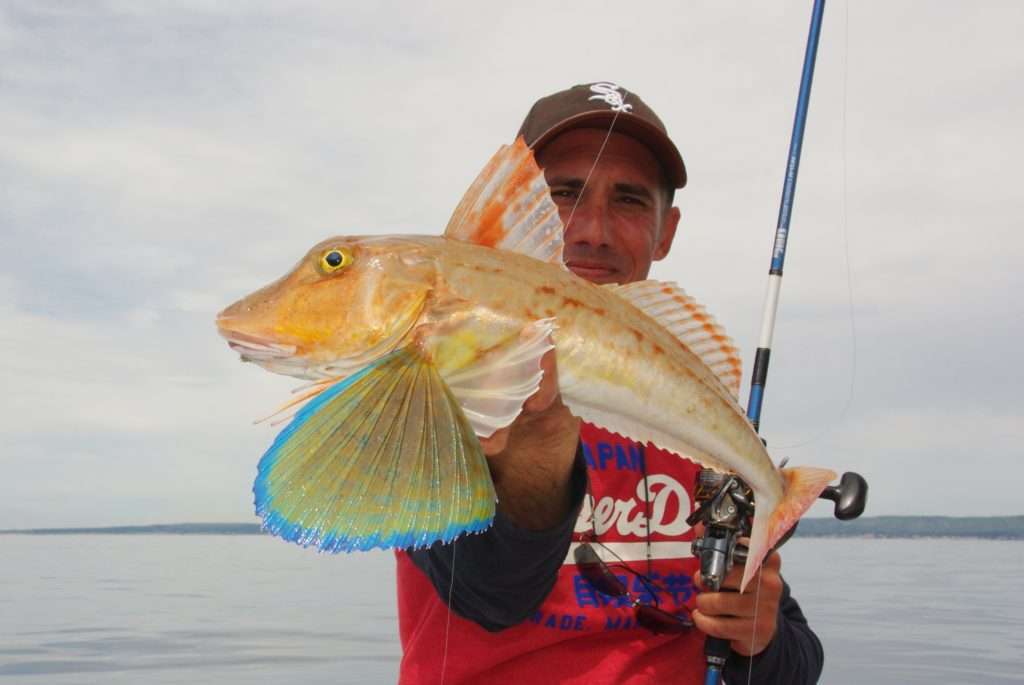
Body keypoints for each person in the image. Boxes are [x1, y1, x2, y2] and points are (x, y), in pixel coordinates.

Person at [396, 82, 824, 684]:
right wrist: (540, 443)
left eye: (627, 201)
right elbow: (489, 595)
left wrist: (762, 637)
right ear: (511, 217)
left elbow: (796, 667)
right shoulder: (440, 389)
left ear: (665, 230)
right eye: (562, 195)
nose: (592, 229)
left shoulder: (694, 415)